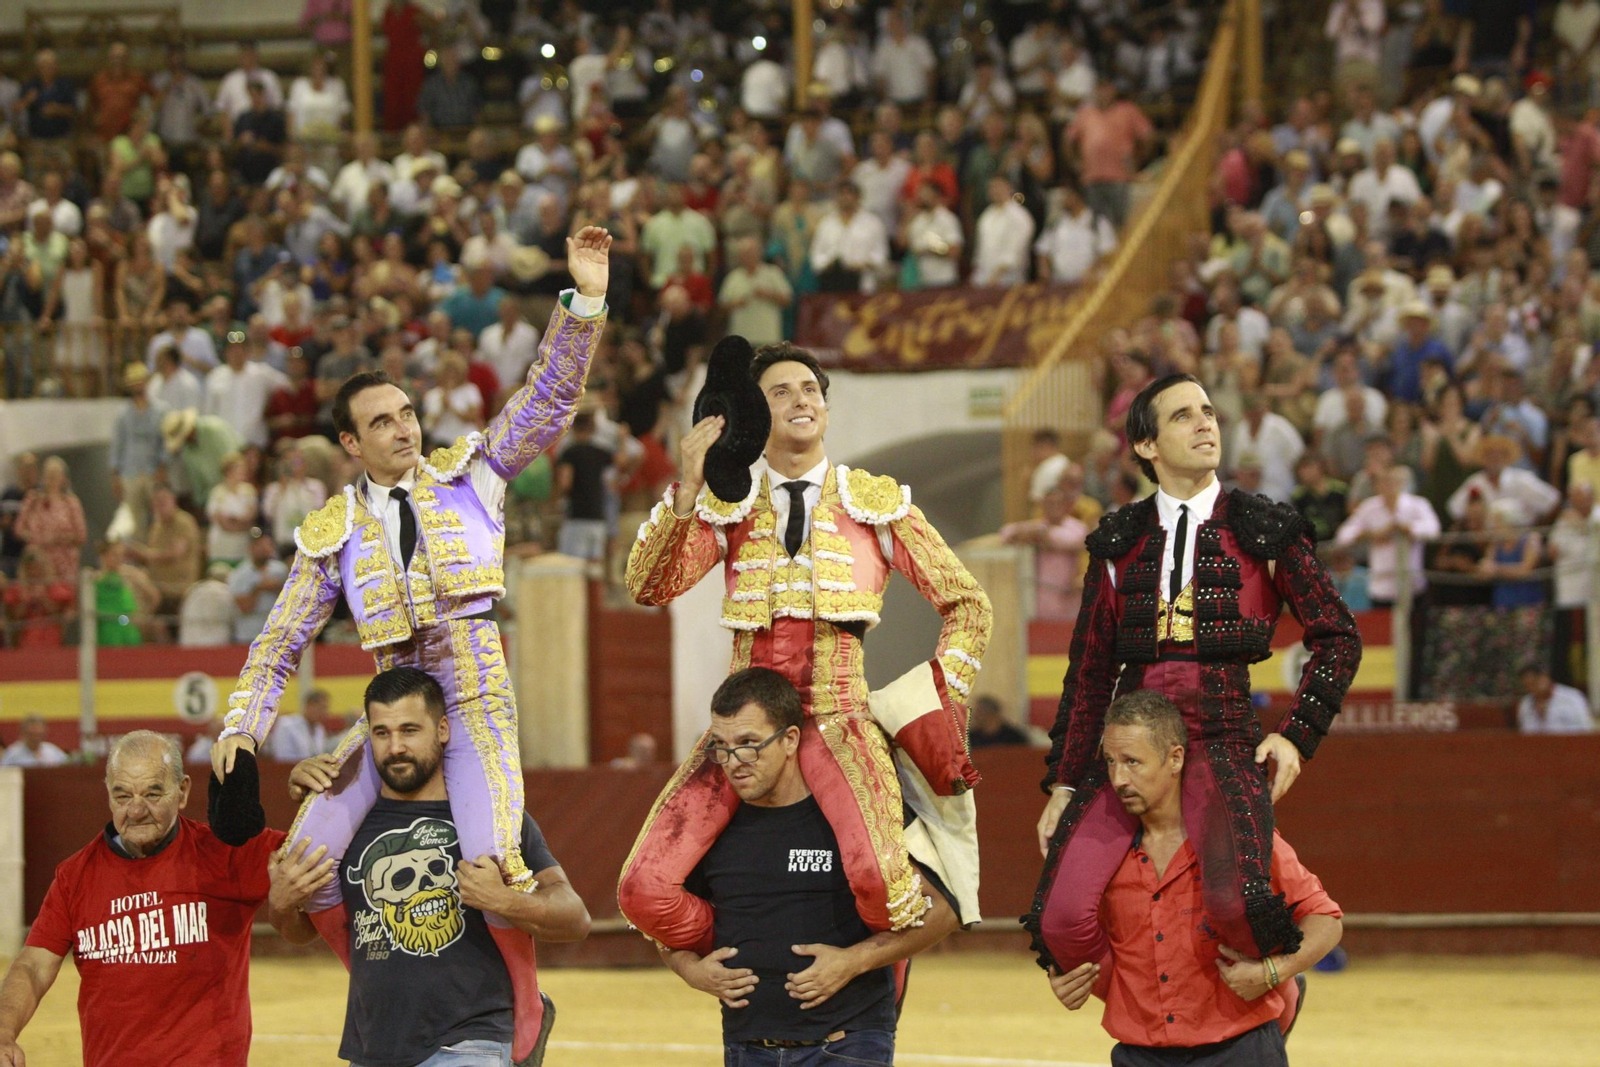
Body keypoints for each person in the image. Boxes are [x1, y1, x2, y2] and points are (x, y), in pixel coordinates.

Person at [209, 229, 611, 1065]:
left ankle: (521, 1023)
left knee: (493, 867)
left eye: (406, 413)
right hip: (392, 714)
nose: (403, 428)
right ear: (349, 445)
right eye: (381, 422)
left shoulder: (473, 474)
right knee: (310, 856)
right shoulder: (331, 533)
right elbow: (281, 638)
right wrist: (240, 725)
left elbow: (545, 401)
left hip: (473, 704)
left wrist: (585, 303)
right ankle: (397, 990)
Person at [622, 341, 990, 951]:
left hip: (839, 717)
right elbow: (649, 586)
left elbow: (968, 604)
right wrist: (686, 488)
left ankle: (869, 980)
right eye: (781, 392)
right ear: (756, 416)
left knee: (879, 882)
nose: (801, 401)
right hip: (743, 724)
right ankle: (754, 951)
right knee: (643, 889)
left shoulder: (873, 503)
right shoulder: (727, 504)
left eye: (811, 390)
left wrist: (938, 694)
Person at [1027, 374, 1360, 982]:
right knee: (1060, 920)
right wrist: (1066, 784)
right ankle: (1143, 1010)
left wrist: (1295, 735)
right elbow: (1090, 673)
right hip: (1129, 745)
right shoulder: (1117, 541)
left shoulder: (1263, 528)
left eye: (1208, 411)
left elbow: (1338, 636)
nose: (1206, 423)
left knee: (1239, 908)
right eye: (1183, 415)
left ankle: (1274, 1008)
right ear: (1147, 446)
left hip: (1221, 735)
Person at [276, 667, 590, 1067]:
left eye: (410, 730)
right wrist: (282, 905)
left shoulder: (492, 819)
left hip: (470, 1042)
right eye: (382, 733)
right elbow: (301, 933)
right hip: (372, 1047)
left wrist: (504, 900)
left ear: (442, 729)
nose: (395, 748)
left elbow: (575, 919)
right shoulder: (347, 829)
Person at [659, 667, 958, 1065]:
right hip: (748, 1048)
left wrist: (853, 962)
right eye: (722, 747)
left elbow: (944, 910)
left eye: (749, 743)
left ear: (789, 740)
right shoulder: (708, 828)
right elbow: (663, 927)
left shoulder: (855, 816)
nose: (733, 762)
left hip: (846, 1043)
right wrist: (690, 970)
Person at [1048, 690, 1345, 1066]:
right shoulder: (1097, 858)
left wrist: (1275, 971)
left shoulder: (1237, 838)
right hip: (1141, 1054)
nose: (1119, 778)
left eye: (1132, 762)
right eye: (1110, 762)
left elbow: (1325, 918)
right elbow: (1082, 940)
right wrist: (1066, 977)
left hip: (1238, 1049)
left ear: (1175, 759)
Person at [0, 731, 290, 1066]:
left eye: (153, 793)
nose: (136, 811)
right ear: (108, 793)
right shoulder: (74, 876)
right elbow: (34, 966)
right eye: (122, 796)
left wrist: (315, 789)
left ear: (182, 792)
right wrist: (4, 1031)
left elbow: (309, 853)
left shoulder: (225, 855)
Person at [1335, 466, 1441, 607]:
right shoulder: (1369, 507)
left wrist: (1406, 528)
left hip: (1412, 585)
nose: (1388, 486)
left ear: (1401, 483)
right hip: (1381, 587)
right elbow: (1343, 535)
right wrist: (1370, 534)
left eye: (1392, 481)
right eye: (1383, 482)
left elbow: (1433, 530)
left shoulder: (1418, 504)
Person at [1000, 486, 1089, 622]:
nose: (1053, 508)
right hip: (1041, 599)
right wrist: (1029, 532)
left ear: (1065, 505)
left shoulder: (1077, 527)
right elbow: (1006, 533)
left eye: (1057, 504)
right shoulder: (1037, 526)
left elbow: (1067, 539)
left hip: (1068, 600)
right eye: (1049, 504)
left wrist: (1038, 534)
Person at [15, 455, 87, 584]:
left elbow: (81, 536)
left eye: (55, 474)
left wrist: (58, 538)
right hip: (38, 562)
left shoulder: (71, 502)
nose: (51, 478)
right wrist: (38, 538)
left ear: (63, 478)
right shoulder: (33, 499)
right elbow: (19, 529)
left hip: (65, 563)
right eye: (48, 474)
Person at [555, 410, 613, 562]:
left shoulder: (569, 453)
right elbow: (623, 461)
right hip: (597, 516)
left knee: (574, 564)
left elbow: (565, 483)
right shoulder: (600, 452)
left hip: (577, 517)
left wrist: (556, 498)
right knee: (595, 567)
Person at [1515, 666, 1596, 734]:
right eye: (1527, 686)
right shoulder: (1525, 703)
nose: (1532, 688)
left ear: (1545, 677)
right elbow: (1524, 732)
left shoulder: (1572, 698)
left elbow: (1586, 728)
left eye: (1534, 683)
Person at [266, 688, 336, 763]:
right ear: (309, 706)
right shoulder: (286, 724)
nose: (325, 713)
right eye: (322, 708)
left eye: (326, 709)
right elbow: (282, 757)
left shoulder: (319, 729)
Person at [0, 714, 68, 767]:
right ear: (23, 732)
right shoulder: (12, 754)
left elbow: (66, 770)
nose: (35, 738)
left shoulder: (53, 751)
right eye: (32, 734)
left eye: (39, 734)